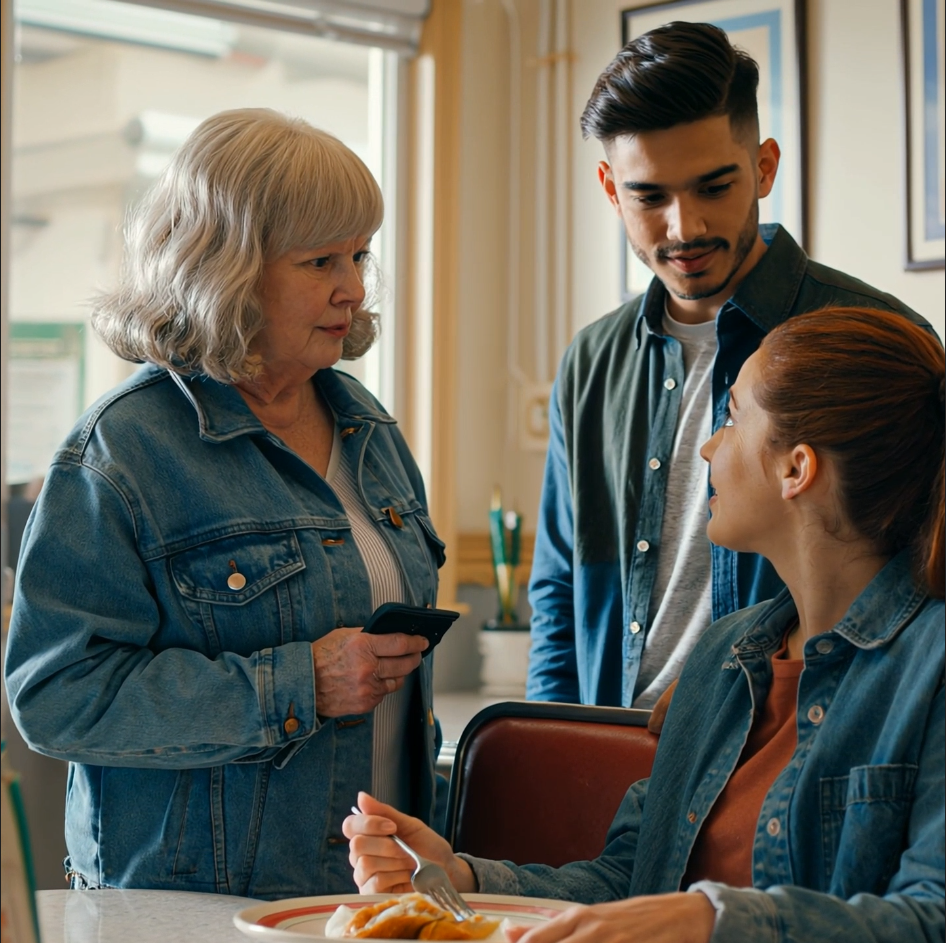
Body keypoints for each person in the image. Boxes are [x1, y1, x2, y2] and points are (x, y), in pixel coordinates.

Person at [346, 307, 945, 943]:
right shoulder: (724, 655)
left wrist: (711, 919)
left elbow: (931, 917)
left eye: (733, 416)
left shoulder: (931, 666)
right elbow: (633, 882)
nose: (709, 445)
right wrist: (463, 876)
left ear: (796, 469)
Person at [4, 109, 447, 898]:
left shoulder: (369, 426)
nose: (353, 287)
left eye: (360, 253)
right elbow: (55, 697)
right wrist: (295, 685)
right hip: (193, 906)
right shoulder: (123, 450)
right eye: (320, 261)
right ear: (225, 269)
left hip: (365, 896)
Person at [526, 22, 931, 710]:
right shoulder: (591, 361)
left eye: (714, 186)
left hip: (787, 760)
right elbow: (561, 593)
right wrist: (553, 746)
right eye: (650, 196)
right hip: (612, 746)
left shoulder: (873, 337)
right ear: (609, 187)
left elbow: (923, 577)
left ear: (765, 166)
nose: (683, 227)